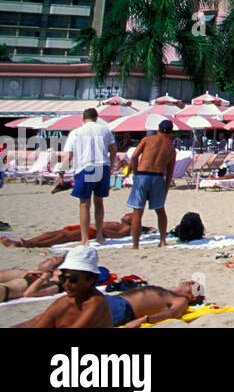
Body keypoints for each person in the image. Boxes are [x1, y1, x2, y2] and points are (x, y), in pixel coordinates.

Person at [13, 246, 112, 328]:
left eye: (73, 279)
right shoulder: (64, 302)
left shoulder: (95, 303)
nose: (66, 284)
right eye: (63, 278)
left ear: (90, 280)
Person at [61, 108, 118, 247]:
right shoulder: (105, 130)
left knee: (84, 204)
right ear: (96, 118)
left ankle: (85, 239)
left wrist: (61, 172)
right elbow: (113, 150)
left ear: (83, 119)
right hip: (102, 166)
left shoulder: (76, 133)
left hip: (85, 167)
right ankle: (99, 235)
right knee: (99, 202)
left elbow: (68, 155)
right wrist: (110, 166)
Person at [127, 120, 177, 250]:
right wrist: (165, 190)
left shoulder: (147, 140)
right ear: (171, 133)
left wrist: (134, 172)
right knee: (160, 211)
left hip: (142, 175)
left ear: (157, 129)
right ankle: (162, 240)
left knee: (137, 212)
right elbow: (170, 173)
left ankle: (135, 245)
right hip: (158, 177)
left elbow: (133, 157)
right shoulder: (171, 148)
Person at [2, 212, 144, 248]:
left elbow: (118, 235)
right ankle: (24, 242)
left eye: (129, 215)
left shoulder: (127, 228)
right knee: (54, 233)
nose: (126, 215)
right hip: (89, 226)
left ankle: (31, 244)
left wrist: (100, 229)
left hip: (92, 231)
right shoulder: (118, 222)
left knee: (63, 236)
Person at [108, 279, 206, 328]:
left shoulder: (181, 300)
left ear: (192, 297)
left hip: (123, 307)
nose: (190, 281)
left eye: (194, 285)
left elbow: (173, 313)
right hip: (114, 299)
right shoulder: (170, 293)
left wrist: (144, 319)